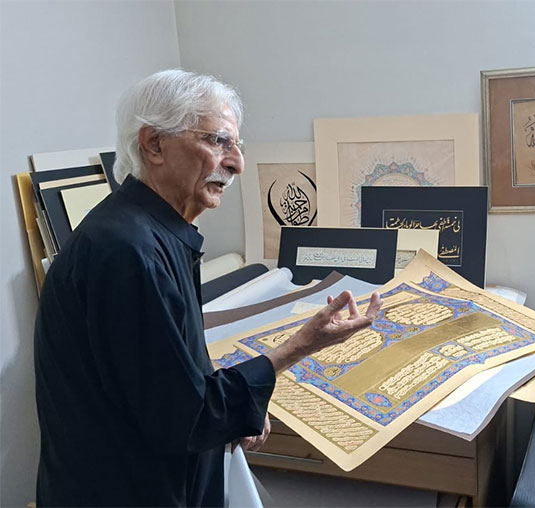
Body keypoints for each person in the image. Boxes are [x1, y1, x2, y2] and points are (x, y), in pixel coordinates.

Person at [33, 69, 382, 507]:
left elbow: (167, 377)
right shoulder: (128, 251)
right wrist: (299, 346)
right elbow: (185, 416)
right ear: (154, 143)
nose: (236, 162)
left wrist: (237, 407)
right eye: (218, 141)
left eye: (236, 146)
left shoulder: (150, 231)